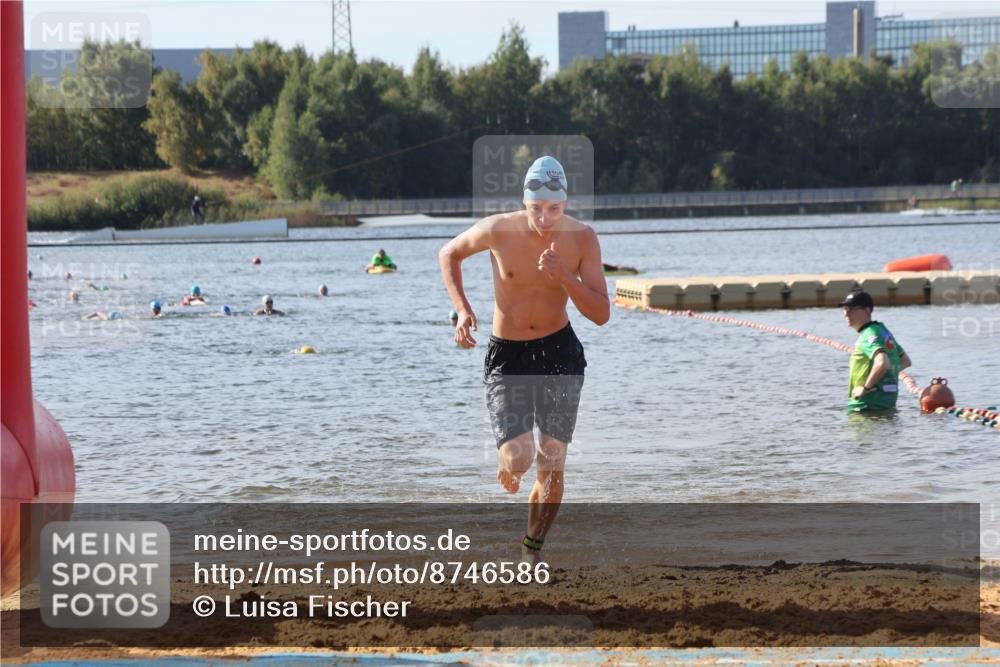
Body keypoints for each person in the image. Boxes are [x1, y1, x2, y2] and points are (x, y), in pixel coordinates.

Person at [439, 155, 610, 565]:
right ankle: (510, 462)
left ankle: (531, 550)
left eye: (554, 209)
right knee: (520, 457)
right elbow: (449, 254)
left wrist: (565, 277)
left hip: (560, 352)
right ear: (524, 201)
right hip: (509, 355)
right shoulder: (500, 229)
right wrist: (462, 309)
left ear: (566, 203)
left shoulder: (583, 238)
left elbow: (602, 314)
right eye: (536, 209)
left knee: (552, 467)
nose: (545, 218)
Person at [841, 291, 912, 413]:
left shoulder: (868, 334)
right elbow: (905, 361)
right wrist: (885, 379)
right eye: (845, 309)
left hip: (865, 407)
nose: (846, 313)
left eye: (851, 309)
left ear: (867, 310)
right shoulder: (883, 331)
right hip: (886, 406)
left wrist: (865, 387)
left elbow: (882, 363)